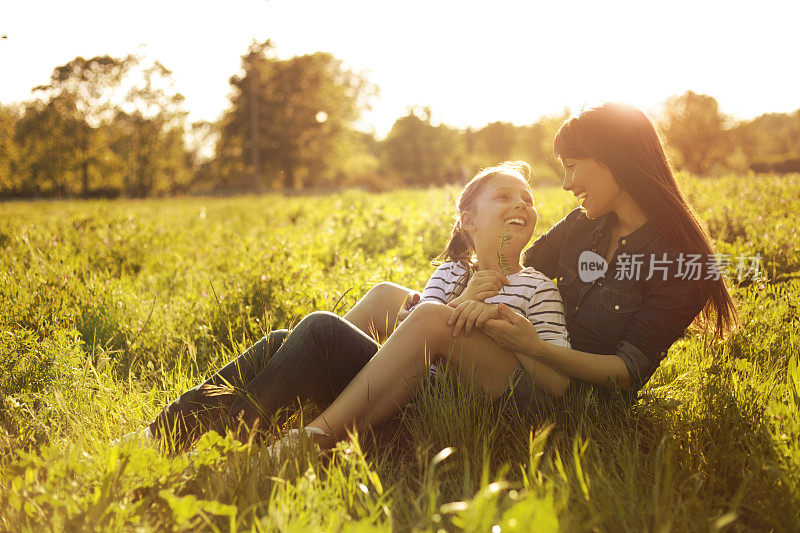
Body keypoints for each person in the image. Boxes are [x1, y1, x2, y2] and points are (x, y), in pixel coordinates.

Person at [132, 162, 568, 451]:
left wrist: (494, 325)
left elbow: (557, 383)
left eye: (527, 200)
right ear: (469, 221)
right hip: (399, 388)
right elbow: (413, 339)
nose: (520, 205)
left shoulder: (538, 288)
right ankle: (163, 434)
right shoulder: (450, 274)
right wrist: (426, 312)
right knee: (284, 339)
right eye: (505, 197)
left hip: (443, 404)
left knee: (322, 329)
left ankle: (222, 445)